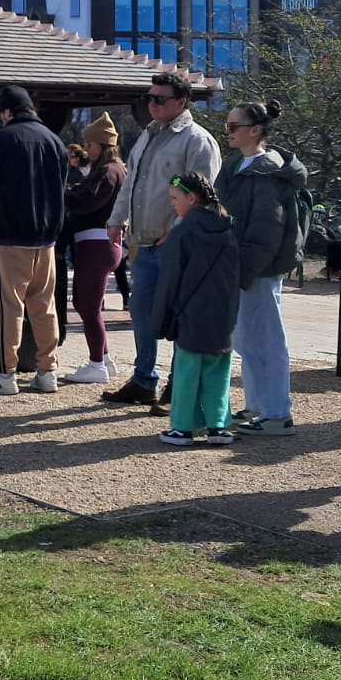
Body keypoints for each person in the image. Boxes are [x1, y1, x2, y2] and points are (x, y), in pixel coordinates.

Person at [102, 72, 222, 408]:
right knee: (142, 313)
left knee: (180, 317)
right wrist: (116, 220)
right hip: (145, 243)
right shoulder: (147, 136)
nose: (152, 104)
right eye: (149, 98)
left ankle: (178, 385)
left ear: (181, 102)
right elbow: (132, 183)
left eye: (160, 99)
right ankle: (143, 380)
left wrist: (178, 231)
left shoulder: (197, 141)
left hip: (178, 246)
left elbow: (203, 195)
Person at [0, 84, 68, 396]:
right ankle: (47, 370)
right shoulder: (54, 141)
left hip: (8, 234)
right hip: (46, 237)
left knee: (9, 307)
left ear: (7, 112)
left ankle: (5, 373)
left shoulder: (1, 139)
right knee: (44, 305)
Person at [215, 100, 309, 436]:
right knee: (248, 339)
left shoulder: (266, 170)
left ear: (255, 130)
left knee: (264, 340)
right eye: (227, 125)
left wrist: (245, 268)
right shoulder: (241, 164)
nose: (228, 131)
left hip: (256, 269)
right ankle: (259, 406)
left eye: (233, 126)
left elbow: (267, 228)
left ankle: (276, 413)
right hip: (244, 266)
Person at [151, 173, 242, 446]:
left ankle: (182, 428)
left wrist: (159, 319)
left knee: (187, 371)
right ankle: (218, 426)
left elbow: (169, 280)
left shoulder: (182, 232)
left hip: (190, 312)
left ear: (191, 198)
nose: (172, 203)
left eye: (174, 198)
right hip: (223, 314)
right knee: (218, 370)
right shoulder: (228, 229)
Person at [59, 113, 126, 384]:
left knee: (88, 307)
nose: (86, 149)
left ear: (103, 144)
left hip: (96, 244)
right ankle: (104, 359)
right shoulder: (114, 169)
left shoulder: (108, 171)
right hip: (100, 244)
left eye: (90, 144)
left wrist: (64, 192)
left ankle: (97, 364)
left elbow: (87, 202)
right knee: (88, 304)